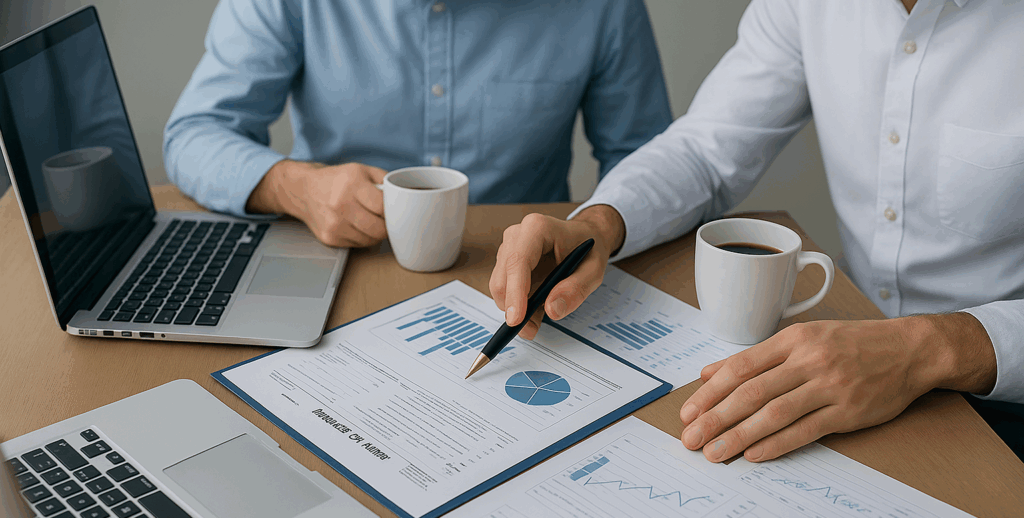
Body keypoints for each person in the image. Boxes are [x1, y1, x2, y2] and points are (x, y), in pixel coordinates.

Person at [489, 0, 1024, 463]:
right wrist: (597, 224)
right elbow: (706, 151)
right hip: (844, 370)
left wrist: (929, 348)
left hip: (1001, 400)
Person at [163, 0, 671, 248]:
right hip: (335, 256)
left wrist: (596, 233)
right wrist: (295, 187)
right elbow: (194, 134)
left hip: (525, 263)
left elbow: (648, 163)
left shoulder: (604, 6)